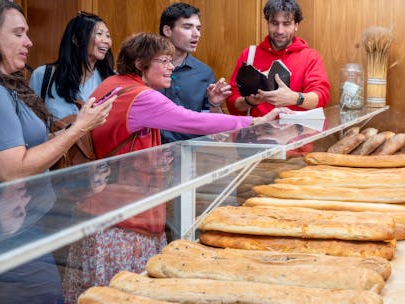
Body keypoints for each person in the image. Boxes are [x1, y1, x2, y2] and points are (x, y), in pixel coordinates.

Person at [62, 32, 287, 302]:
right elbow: (189, 120)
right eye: (164, 61)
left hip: (98, 208)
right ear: (139, 64)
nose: (172, 67)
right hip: (124, 216)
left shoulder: (113, 83)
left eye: (171, 61)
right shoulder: (142, 97)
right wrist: (253, 123)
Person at [0, 0, 114, 303]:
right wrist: (78, 128)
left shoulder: (3, 85)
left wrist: (74, 130)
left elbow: (28, 143)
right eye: (18, 34)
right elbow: (14, 168)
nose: (29, 42)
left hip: (19, 223)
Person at [226, 0, 331, 117]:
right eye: (274, 23)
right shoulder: (250, 55)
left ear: (296, 25)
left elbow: (321, 97)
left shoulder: (311, 57)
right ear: (267, 23)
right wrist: (249, 102)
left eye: (286, 24)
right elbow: (232, 103)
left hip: (297, 133)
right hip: (256, 133)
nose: (280, 31)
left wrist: (294, 98)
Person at [158, 2, 231, 142]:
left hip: (191, 153)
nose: (196, 34)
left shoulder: (204, 73)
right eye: (187, 27)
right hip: (148, 154)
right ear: (167, 30)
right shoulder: (146, 68)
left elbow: (214, 129)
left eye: (198, 28)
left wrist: (214, 104)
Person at [30, 11, 115, 119]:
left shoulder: (110, 80)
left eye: (108, 35)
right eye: (99, 33)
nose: (106, 41)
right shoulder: (42, 75)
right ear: (76, 39)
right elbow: (32, 124)